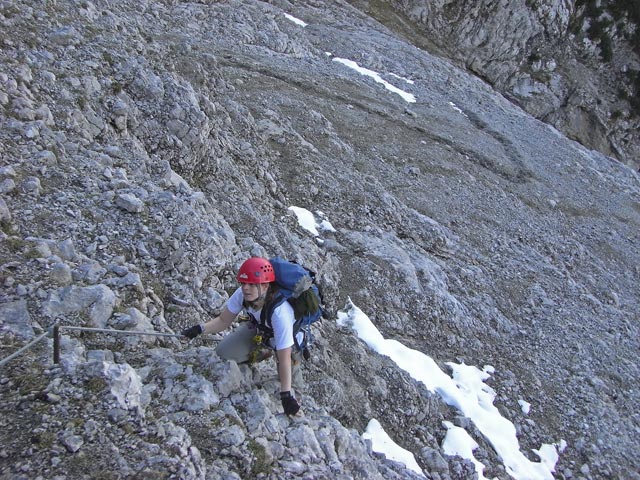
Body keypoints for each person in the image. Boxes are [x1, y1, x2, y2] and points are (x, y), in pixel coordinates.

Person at [182, 257, 302, 416]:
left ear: (265, 286)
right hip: (261, 330)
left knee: (288, 380)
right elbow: (223, 320)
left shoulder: (280, 313)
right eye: (243, 283)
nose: (246, 288)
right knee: (223, 353)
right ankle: (263, 352)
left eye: (252, 284)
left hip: (288, 342)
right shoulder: (243, 294)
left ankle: (293, 387)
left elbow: (285, 356)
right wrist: (199, 329)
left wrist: (286, 395)